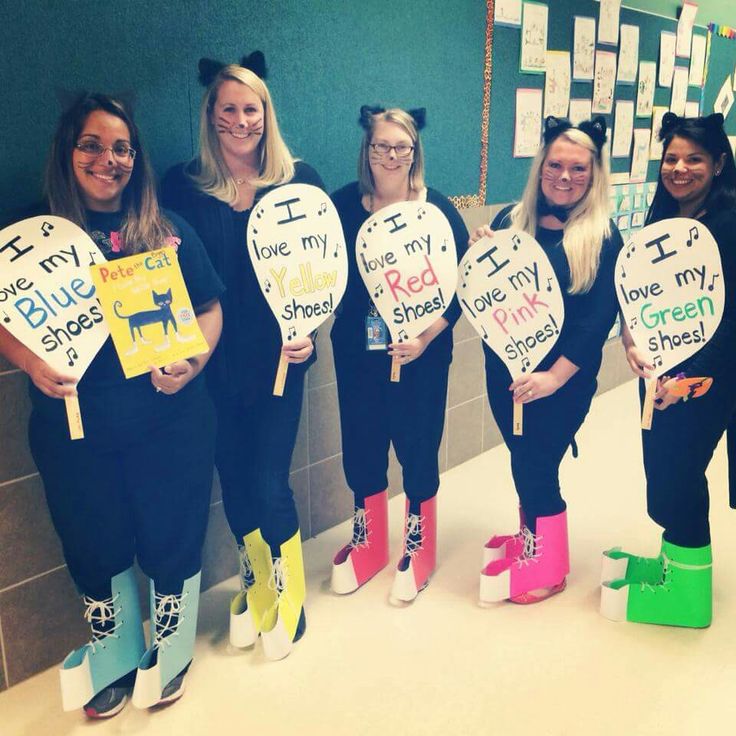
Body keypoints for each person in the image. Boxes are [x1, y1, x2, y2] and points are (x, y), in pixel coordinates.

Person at [0, 93, 223, 717]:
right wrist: (30, 363)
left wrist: (193, 363)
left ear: (137, 158)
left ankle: (171, 645)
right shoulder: (30, 238)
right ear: (67, 151)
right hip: (74, 427)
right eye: (92, 145)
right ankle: (118, 645)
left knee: (171, 533)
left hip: (170, 421)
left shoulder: (167, 231)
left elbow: (209, 309)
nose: (109, 159)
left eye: (122, 147)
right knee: (92, 537)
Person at [161, 53, 323, 660]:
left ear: (266, 113)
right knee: (233, 478)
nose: (239, 120)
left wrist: (312, 330)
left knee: (270, 480)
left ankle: (291, 587)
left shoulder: (298, 181)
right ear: (211, 114)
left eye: (250, 108)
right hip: (212, 364)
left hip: (281, 358)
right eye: (227, 108)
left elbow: (322, 271)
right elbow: (158, 271)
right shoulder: (181, 185)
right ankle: (255, 578)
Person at [472, 116, 622, 604]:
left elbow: (597, 322)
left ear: (594, 174)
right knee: (522, 458)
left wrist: (554, 378)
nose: (565, 176)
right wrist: (477, 259)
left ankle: (550, 566)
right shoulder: (508, 223)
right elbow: (484, 297)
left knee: (539, 464)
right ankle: (532, 536)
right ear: (540, 168)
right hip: (506, 373)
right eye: (555, 165)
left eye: (579, 168)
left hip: (562, 381)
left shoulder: (601, 236)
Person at [601, 112, 736, 628]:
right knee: (663, 469)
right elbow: (639, 297)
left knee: (680, 475)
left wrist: (691, 382)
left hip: (701, 383)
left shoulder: (727, 225)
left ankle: (688, 594)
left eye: (694, 159)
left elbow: (730, 324)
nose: (680, 168)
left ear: (719, 163)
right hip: (659, 376)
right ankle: (672, 565)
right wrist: (632, 340)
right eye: (672, 158)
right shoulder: (665, 224)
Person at [329, 106, 469, 602]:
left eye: (401, 147)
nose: (391, 156)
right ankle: (368, 537)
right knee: (362, 441)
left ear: (415, 152)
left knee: (417, 441)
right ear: (366, 151)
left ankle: (419, 538)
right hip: (358, 347)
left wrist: (428, 335)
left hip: (423, 351)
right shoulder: (342, 206)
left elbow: (463, 287)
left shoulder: (438, 212)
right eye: (380, 146)